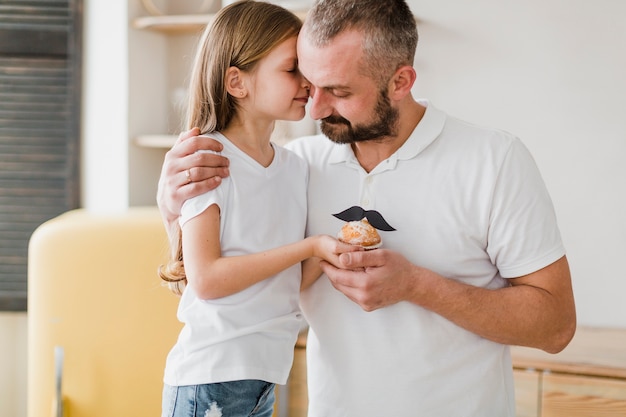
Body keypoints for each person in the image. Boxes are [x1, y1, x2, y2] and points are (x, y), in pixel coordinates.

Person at [157, 0, 577, 416]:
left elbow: (556, 327)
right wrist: (172, 207)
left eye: (338, 91)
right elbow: (221, 277)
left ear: (401, 81)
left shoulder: (494, 160)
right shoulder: (297, 165)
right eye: (307, 79)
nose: (315, 107)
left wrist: (416, 285)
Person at [157, 2, 358, 417]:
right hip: (209, 377)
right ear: (237, 82)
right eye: (291, 69)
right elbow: (208, 279)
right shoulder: (206, 160)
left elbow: (287, 282)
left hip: (266, 374)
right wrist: (310, 246)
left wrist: (333, 251)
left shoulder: (294, 168)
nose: (308, 83)